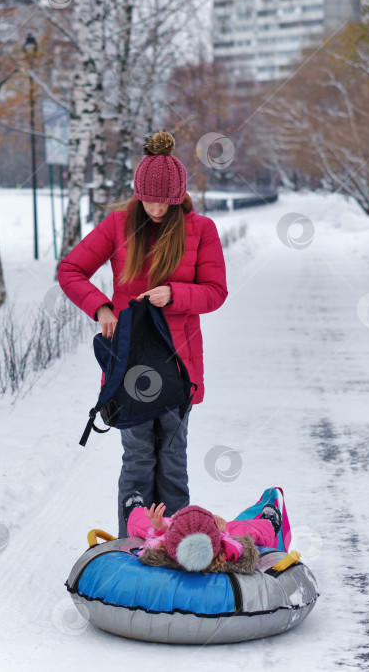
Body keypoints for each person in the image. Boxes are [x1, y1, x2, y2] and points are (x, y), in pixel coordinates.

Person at [57, 129, 228, 538]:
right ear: (137, 193)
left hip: (179, 367)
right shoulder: (118, 226)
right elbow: (70, 270)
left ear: (179, 198)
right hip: (129, 367)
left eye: (164, 202)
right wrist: (100, 307)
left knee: (172, 466)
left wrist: (175, 294)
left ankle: (177, 550)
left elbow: (216, 292)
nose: (155, 208)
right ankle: (133, 550)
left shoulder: (200, 230)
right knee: (137, 463)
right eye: (147, 199)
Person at [122, 491, 282, 573]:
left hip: (179, 533)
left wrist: (160, 528)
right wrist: (223, 531)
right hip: (210, 536)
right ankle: (269, 522)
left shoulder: (162, 545)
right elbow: (240, 543)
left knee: (146, 526)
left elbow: (151, 538)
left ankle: (134, 509)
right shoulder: (228, 548)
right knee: (242, 530)